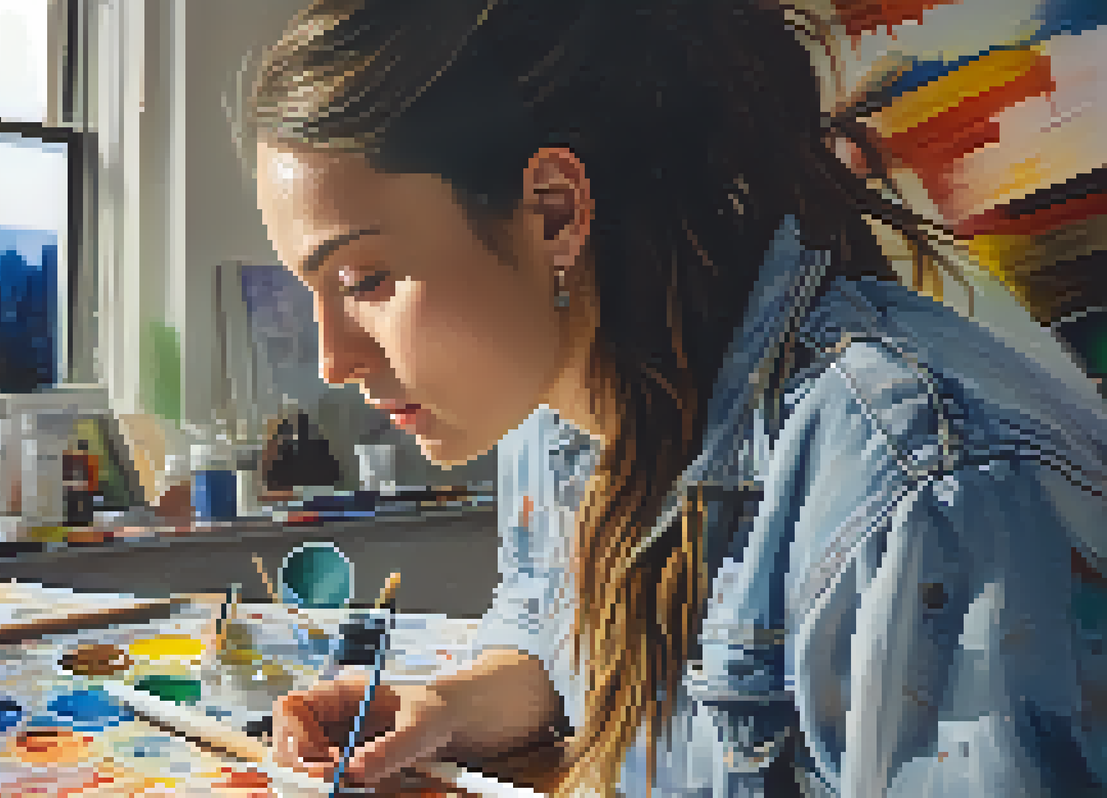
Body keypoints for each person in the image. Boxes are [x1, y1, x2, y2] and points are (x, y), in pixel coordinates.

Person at [240, 1, 1107, 796]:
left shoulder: (929, 492)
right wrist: (450, 704)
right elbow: (552, 628)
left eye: (364, 279)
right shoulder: (558, 404)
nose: (332, 361)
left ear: (552, 213)